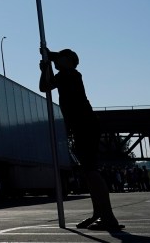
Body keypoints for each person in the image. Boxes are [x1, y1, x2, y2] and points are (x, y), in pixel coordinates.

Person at [40, 48, 123, 231]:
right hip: (84, 126)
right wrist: (47, 57)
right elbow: (53, 61)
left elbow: (44, 86)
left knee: (91, 171)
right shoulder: (69, 73)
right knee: (88, 171)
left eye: (59, 59)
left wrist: (45, 66)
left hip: (84, 126)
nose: (55, 61)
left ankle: (108, 217)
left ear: (68, 60)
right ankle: (99, 214)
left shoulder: (68, 74)